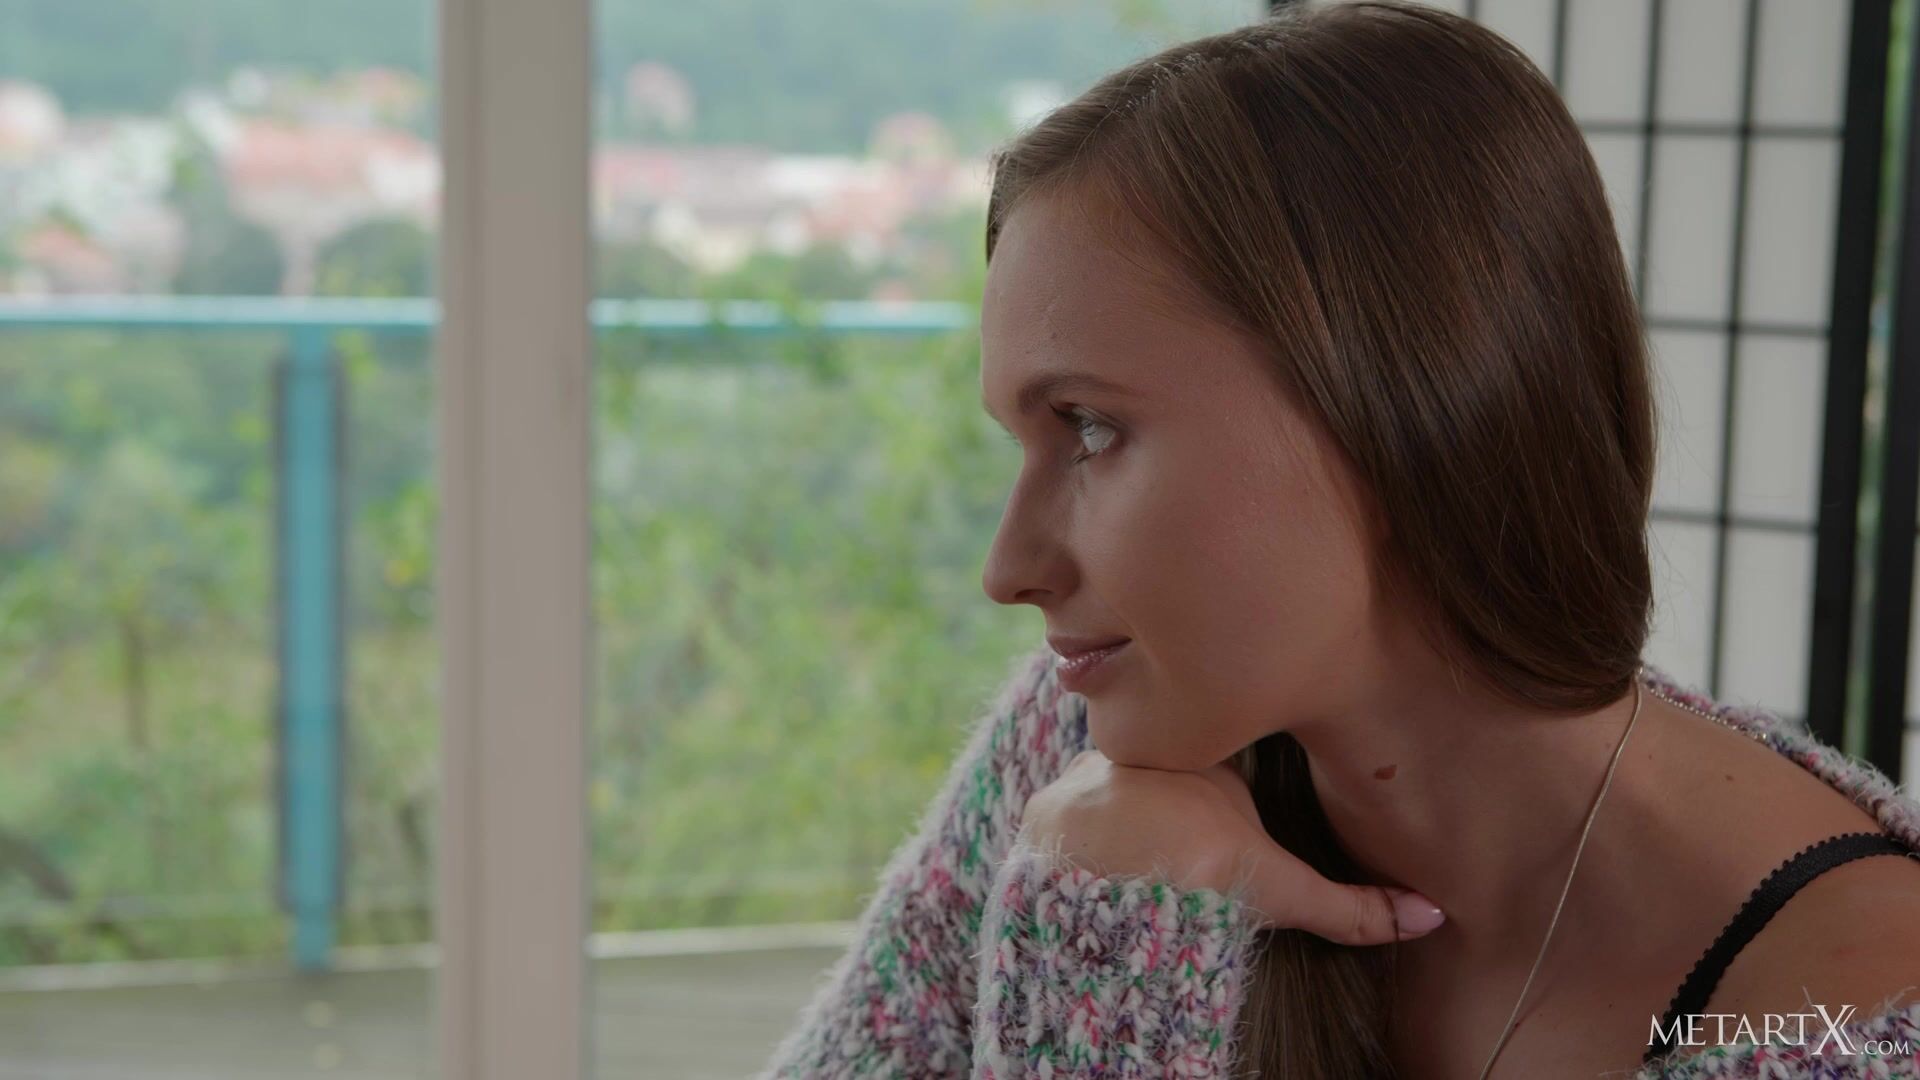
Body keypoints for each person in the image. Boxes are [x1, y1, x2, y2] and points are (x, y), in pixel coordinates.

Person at [760, 2, 1920, 1076]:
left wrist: (1103, 964)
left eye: (1092, 427)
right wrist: (1107, 902)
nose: (1008, 570)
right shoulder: (1091, 761)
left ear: (1404, 404)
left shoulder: (1857, 1017)